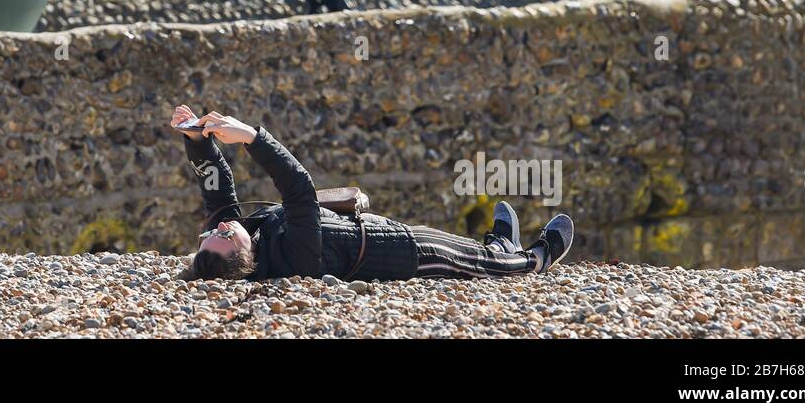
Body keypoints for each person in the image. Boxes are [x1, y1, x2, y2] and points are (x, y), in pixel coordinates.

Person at [172, 105, 574, 282]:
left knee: (470, 251)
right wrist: (253, 137)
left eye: (212, 234)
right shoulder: (291, 258)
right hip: (402, 255)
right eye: (225, 235)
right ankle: (534, 260)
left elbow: (217, 192)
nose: (222, 226)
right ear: (243, 259)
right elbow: (297, 188)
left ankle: (503, 244)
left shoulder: (243, 241)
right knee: (475, 264)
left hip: (382, 231)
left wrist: (197, 140)